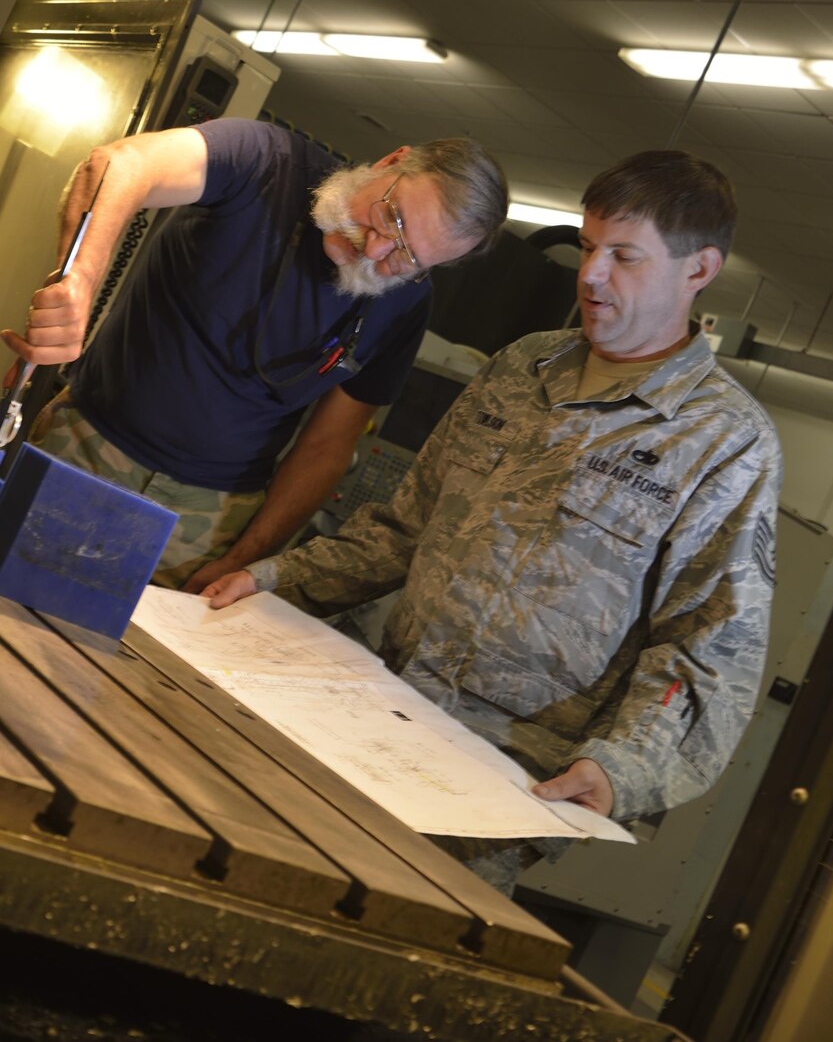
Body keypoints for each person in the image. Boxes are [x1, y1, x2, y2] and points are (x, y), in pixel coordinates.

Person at [201, 149, 781, 892]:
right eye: (591, 246)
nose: (592, 275)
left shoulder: (726, 442)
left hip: (497, 788)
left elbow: (708, 649)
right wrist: (277, 578)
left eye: (625, 257)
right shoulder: (523, 367)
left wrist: (623, 767)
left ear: (698, 270)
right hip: (381, 715)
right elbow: (405, 529)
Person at [0, 117, 506, 591]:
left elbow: (328, 446)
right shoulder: (265, 161)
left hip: (204, 526)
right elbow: (119, 165)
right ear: (391, 162)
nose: (375, 252)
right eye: (389, 216)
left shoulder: (406, 302)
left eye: (408, 257)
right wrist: (81, 280)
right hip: (83, 451)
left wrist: (248, 555)